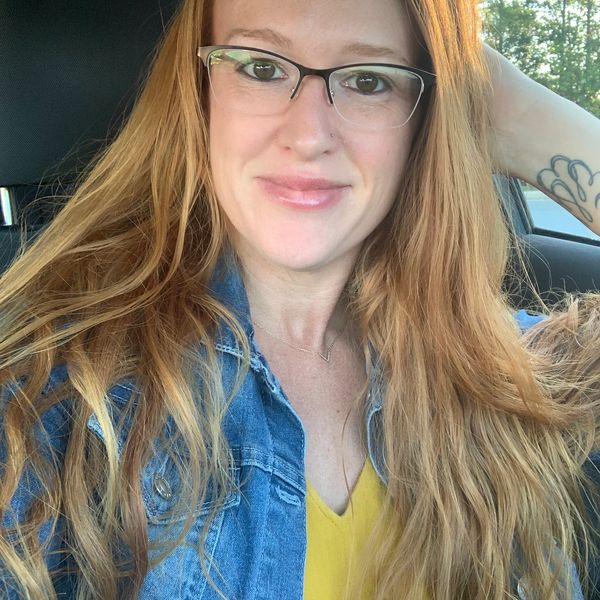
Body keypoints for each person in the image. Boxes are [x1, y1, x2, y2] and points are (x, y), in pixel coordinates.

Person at [0, 0, 599, 598]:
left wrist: (520, 116)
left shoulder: (497, 372)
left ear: (424, 119)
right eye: (260, 68)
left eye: (369, 81)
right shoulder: (52, 392)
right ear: (198, 94)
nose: (309, 136)